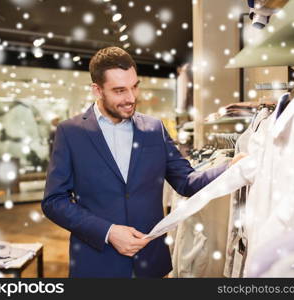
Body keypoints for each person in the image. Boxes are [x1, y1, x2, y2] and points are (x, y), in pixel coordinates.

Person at [42, 46, 242, 278]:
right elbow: (54, 201)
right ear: (97, 90)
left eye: (134, 86)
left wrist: (230, 168)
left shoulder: (154, 129)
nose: (130, 98)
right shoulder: (70, 132)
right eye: (119, 90)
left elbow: (186, 182)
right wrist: (108, 232)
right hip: (96, 264)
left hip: (150, 263)